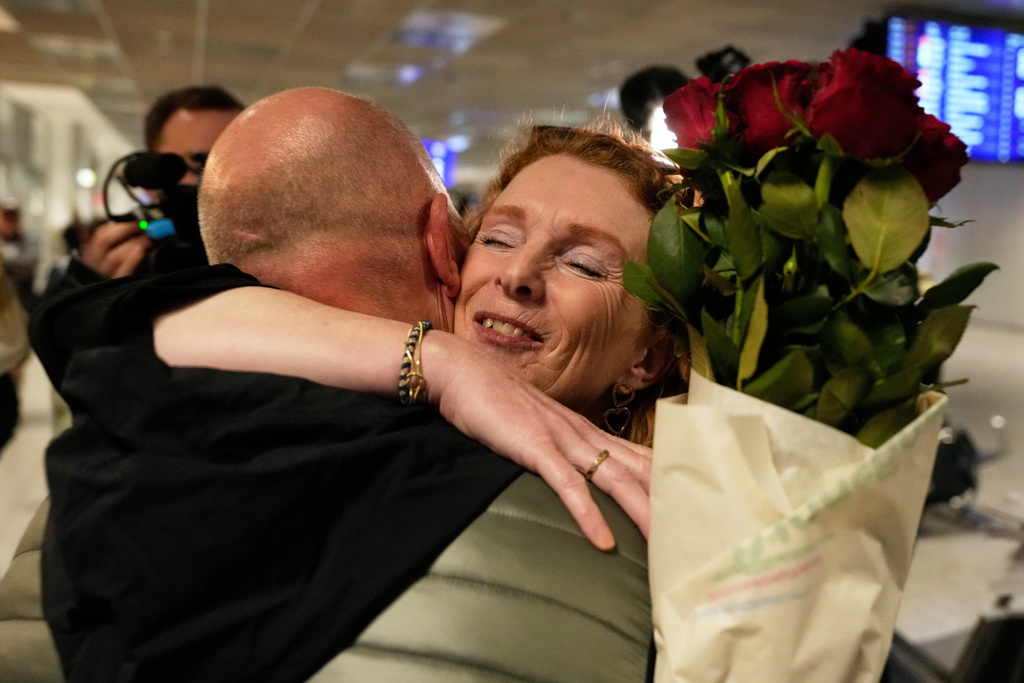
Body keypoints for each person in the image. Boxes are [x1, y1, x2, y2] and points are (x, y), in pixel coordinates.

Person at [30, 89, 680, 682]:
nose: (519, 276)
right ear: (448, 250)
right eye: (500, 237)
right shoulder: (297, 415)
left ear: (648, 360)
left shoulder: (673, 527)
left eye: (585, 263)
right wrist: (436, 362)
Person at [60, 86, 242, 286]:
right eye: (201, 163)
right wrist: (89, 286)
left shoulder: (268, 250)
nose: (223, 179)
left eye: (235, 162)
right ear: (151, 170)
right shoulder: (124, 252)